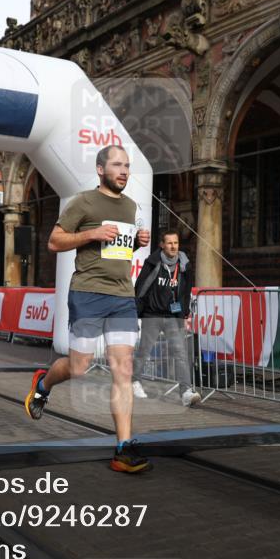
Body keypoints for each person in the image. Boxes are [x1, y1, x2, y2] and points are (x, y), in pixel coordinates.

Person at [24, 144, 151, 473]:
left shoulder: (132, 206)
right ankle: (43, 384)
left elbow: (121, 247)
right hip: (88, 293)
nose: (124, 171)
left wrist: (138, 241)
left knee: (122, 370)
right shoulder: (83, 201)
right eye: (117, 165)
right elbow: (54, 241)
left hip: (123, 295)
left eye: (127, 165)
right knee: (79, 367)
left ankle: (123, 449)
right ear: (100, 169)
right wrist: (91, 233)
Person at [131, 230, 201, 407]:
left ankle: (186, 392)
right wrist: (136, 313)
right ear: (162, 245)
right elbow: (141, 287)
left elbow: (186, 291)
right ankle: (135, 381)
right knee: (144, 350)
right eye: (169, 243)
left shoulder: (184, 265)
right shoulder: (153, 262)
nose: (173, 246)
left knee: (180, 354)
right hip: (152, 315)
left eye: (176, 243)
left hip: (173, 316)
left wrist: (184, 313)